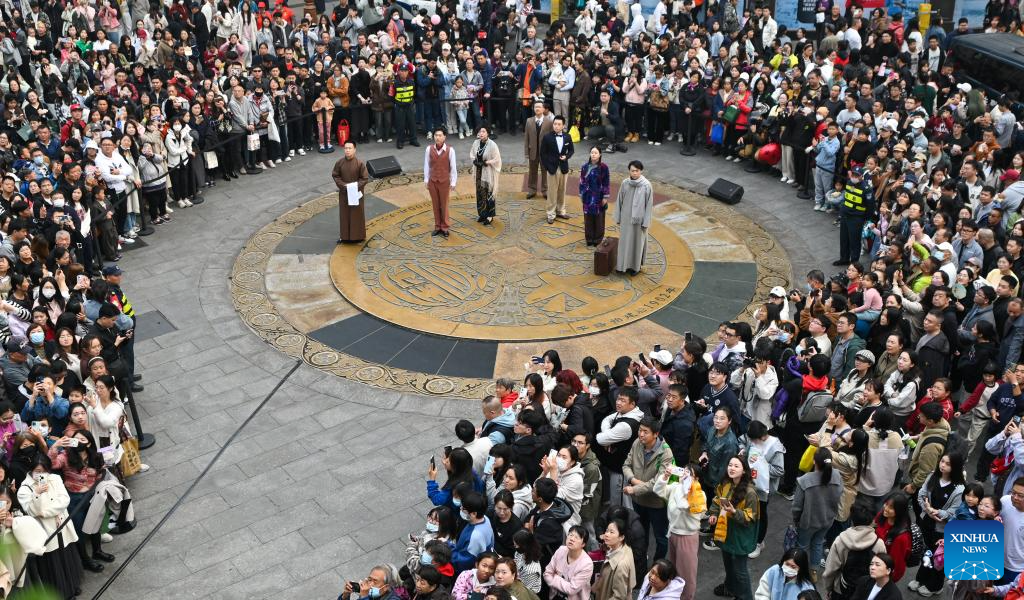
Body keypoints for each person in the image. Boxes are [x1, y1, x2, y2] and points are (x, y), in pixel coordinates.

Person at [707, 456, 759, 600]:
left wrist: (735, 512)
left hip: (740, 536)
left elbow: (750, 518)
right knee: (728, 563)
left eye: (736, 466)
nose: (732, 468)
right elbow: (717, 501)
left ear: (744, 471)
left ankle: (746, 597)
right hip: (725, 532)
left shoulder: (750, 493)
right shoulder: (726, 484)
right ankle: (729, 588)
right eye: (730, 465)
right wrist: (713, 514)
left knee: (740, 571)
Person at [622, 416, 672, 562]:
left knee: (660, 537)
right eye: (640, 430)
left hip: (657, 503)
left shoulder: (665, 453)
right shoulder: (637, 443)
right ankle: (641, 562)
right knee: (640, 534)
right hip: (639, 501)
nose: (641, 434)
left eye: (645, 432)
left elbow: (658, 482)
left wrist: (635, 489)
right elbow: (626, 465)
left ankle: (658, 564)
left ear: (656, 434)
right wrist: (633, 480)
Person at [653, 463, 705, 600]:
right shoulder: (676, 487)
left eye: (690, 473)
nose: (685, 475)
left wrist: (683, 488)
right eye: (684, 471)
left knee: (686, 575)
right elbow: (658, 490)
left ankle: (687, 597)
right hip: (673, 533)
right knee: (674, 571)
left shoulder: (699, 495)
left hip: (687, 537)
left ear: (697, 479)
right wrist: (665, 476)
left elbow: (683, 506)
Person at [793, 447, 843, 575]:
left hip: (808, 522)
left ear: (814, 461)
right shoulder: (837, 476)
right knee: (818, 543)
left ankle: (800, 570)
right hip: (827, 520)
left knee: (802, 546)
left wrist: (797, 520)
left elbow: (797, 507)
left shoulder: (804, 480)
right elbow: (840, 495)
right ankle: (814, 571)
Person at [615, 161, 654, 275]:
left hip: (639, 220)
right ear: (629, 171)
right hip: (626, 219)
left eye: (637, 171)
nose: (635, 173)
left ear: (641, 171)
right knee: (624, 243)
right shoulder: (625, 183)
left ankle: (635, 268)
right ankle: (622, 266)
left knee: (637, 244)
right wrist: (618, 217)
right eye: (632, 170)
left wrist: (646, 222)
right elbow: (619, 200)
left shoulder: (646, 185)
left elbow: (649, 205)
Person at [331, 141, 370, 243]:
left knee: (356, 214)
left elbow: (364, 178)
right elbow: (336, 175)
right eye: (346, 148)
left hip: (356, 193)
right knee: (344, 214)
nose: (347, 150)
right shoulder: (339, 163)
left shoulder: (360, 163)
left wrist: (354, 186)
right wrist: (343, 186)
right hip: (344, 193)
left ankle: (358, 236)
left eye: (350, 148)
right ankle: (345, 237)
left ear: (354, 150)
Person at [542, 526, 594, 600]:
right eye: (570, 535)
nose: (572, 539)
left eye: (577, 537)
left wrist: (555, 578)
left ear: (583, 544)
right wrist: (564, 584)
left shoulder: (586, 564)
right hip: (555, 596)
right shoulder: (561, 550)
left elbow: (571, 589)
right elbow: (547, 574)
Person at [423, 128, 458, 238]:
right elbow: (426, 165)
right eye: (435, 135)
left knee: (444, 205)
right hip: (433, 181)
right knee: (435, 205)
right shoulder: (429, 149)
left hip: (444, 181)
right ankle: (437, 226)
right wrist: (426, 180)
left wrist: (453, 182)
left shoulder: (450, 150)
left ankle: (445, 227)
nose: (437, 137)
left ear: (444, 137)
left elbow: (453, 167)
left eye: (439, 135)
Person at [539, 115, 574, 224]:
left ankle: (561, 211)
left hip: (563, 168)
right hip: (552, 168)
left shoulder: (568, 137)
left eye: (559, 124)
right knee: (552, 192)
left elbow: (571, 150)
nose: (556, 126)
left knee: (562, 190)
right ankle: (550, 213)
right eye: (555, 124)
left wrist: (566, 157)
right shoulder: (547, 137)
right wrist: (547, 167)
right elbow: (542, 154)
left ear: (563, 126)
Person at [593, 519, 636, 600]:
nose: (606, 534)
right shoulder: (623, 547)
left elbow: (618, 597)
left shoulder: (621, 565)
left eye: (611, 532)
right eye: (606, 530)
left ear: (621, 537)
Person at [470, 125, 502, 225]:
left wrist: (487, 162)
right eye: (479, 132)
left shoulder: (492, 145)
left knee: (488, 193)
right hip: (479, 173)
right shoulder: (476, 143)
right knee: (480, 193)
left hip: (488, 173)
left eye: (483, 131)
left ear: (488, 133)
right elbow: (471, 153)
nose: (481, 133)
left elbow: (497, 159)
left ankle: (489, 215)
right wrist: (474, 160)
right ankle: (482, 214)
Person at [579, 146, 610, 246]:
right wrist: (581, 194)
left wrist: (605, 196)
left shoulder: (604, 167)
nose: (593, 154)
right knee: (588, 218)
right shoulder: (585, 167)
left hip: (599, 196)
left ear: (600, 154)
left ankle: (597, 239)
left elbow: (606, 182)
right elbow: (582, 181)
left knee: (599, 218)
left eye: (596, 153)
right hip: (587, 196)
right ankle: (589, 238)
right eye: (592, 152)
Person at [523, 102, 552, 200]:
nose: (537, 108)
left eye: (539, 107)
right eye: (535, 107)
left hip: (545, 152)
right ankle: (532, 190)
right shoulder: (529, 121)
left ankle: (545, 190)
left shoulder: (549, 122)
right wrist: (526, 152)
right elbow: (526, 138)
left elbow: (551, 138)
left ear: (544, 109)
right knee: (532, 171)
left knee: (545, 171)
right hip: (533, 151)